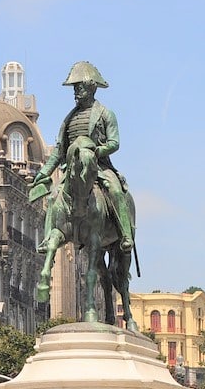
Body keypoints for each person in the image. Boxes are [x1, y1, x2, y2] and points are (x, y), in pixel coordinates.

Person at [31, 61, 134, 253]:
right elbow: (60, 149)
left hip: (100, 167)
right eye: (75, 89)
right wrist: (45, 171)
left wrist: (98, 151)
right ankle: (48, 238)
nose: (76, 92)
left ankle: (126, 234)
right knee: (54, 198)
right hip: (72, 169)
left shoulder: (105, 114)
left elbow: (115, 143)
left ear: (91, 88)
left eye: (79, 88)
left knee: (116, 192)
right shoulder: (69, 118)